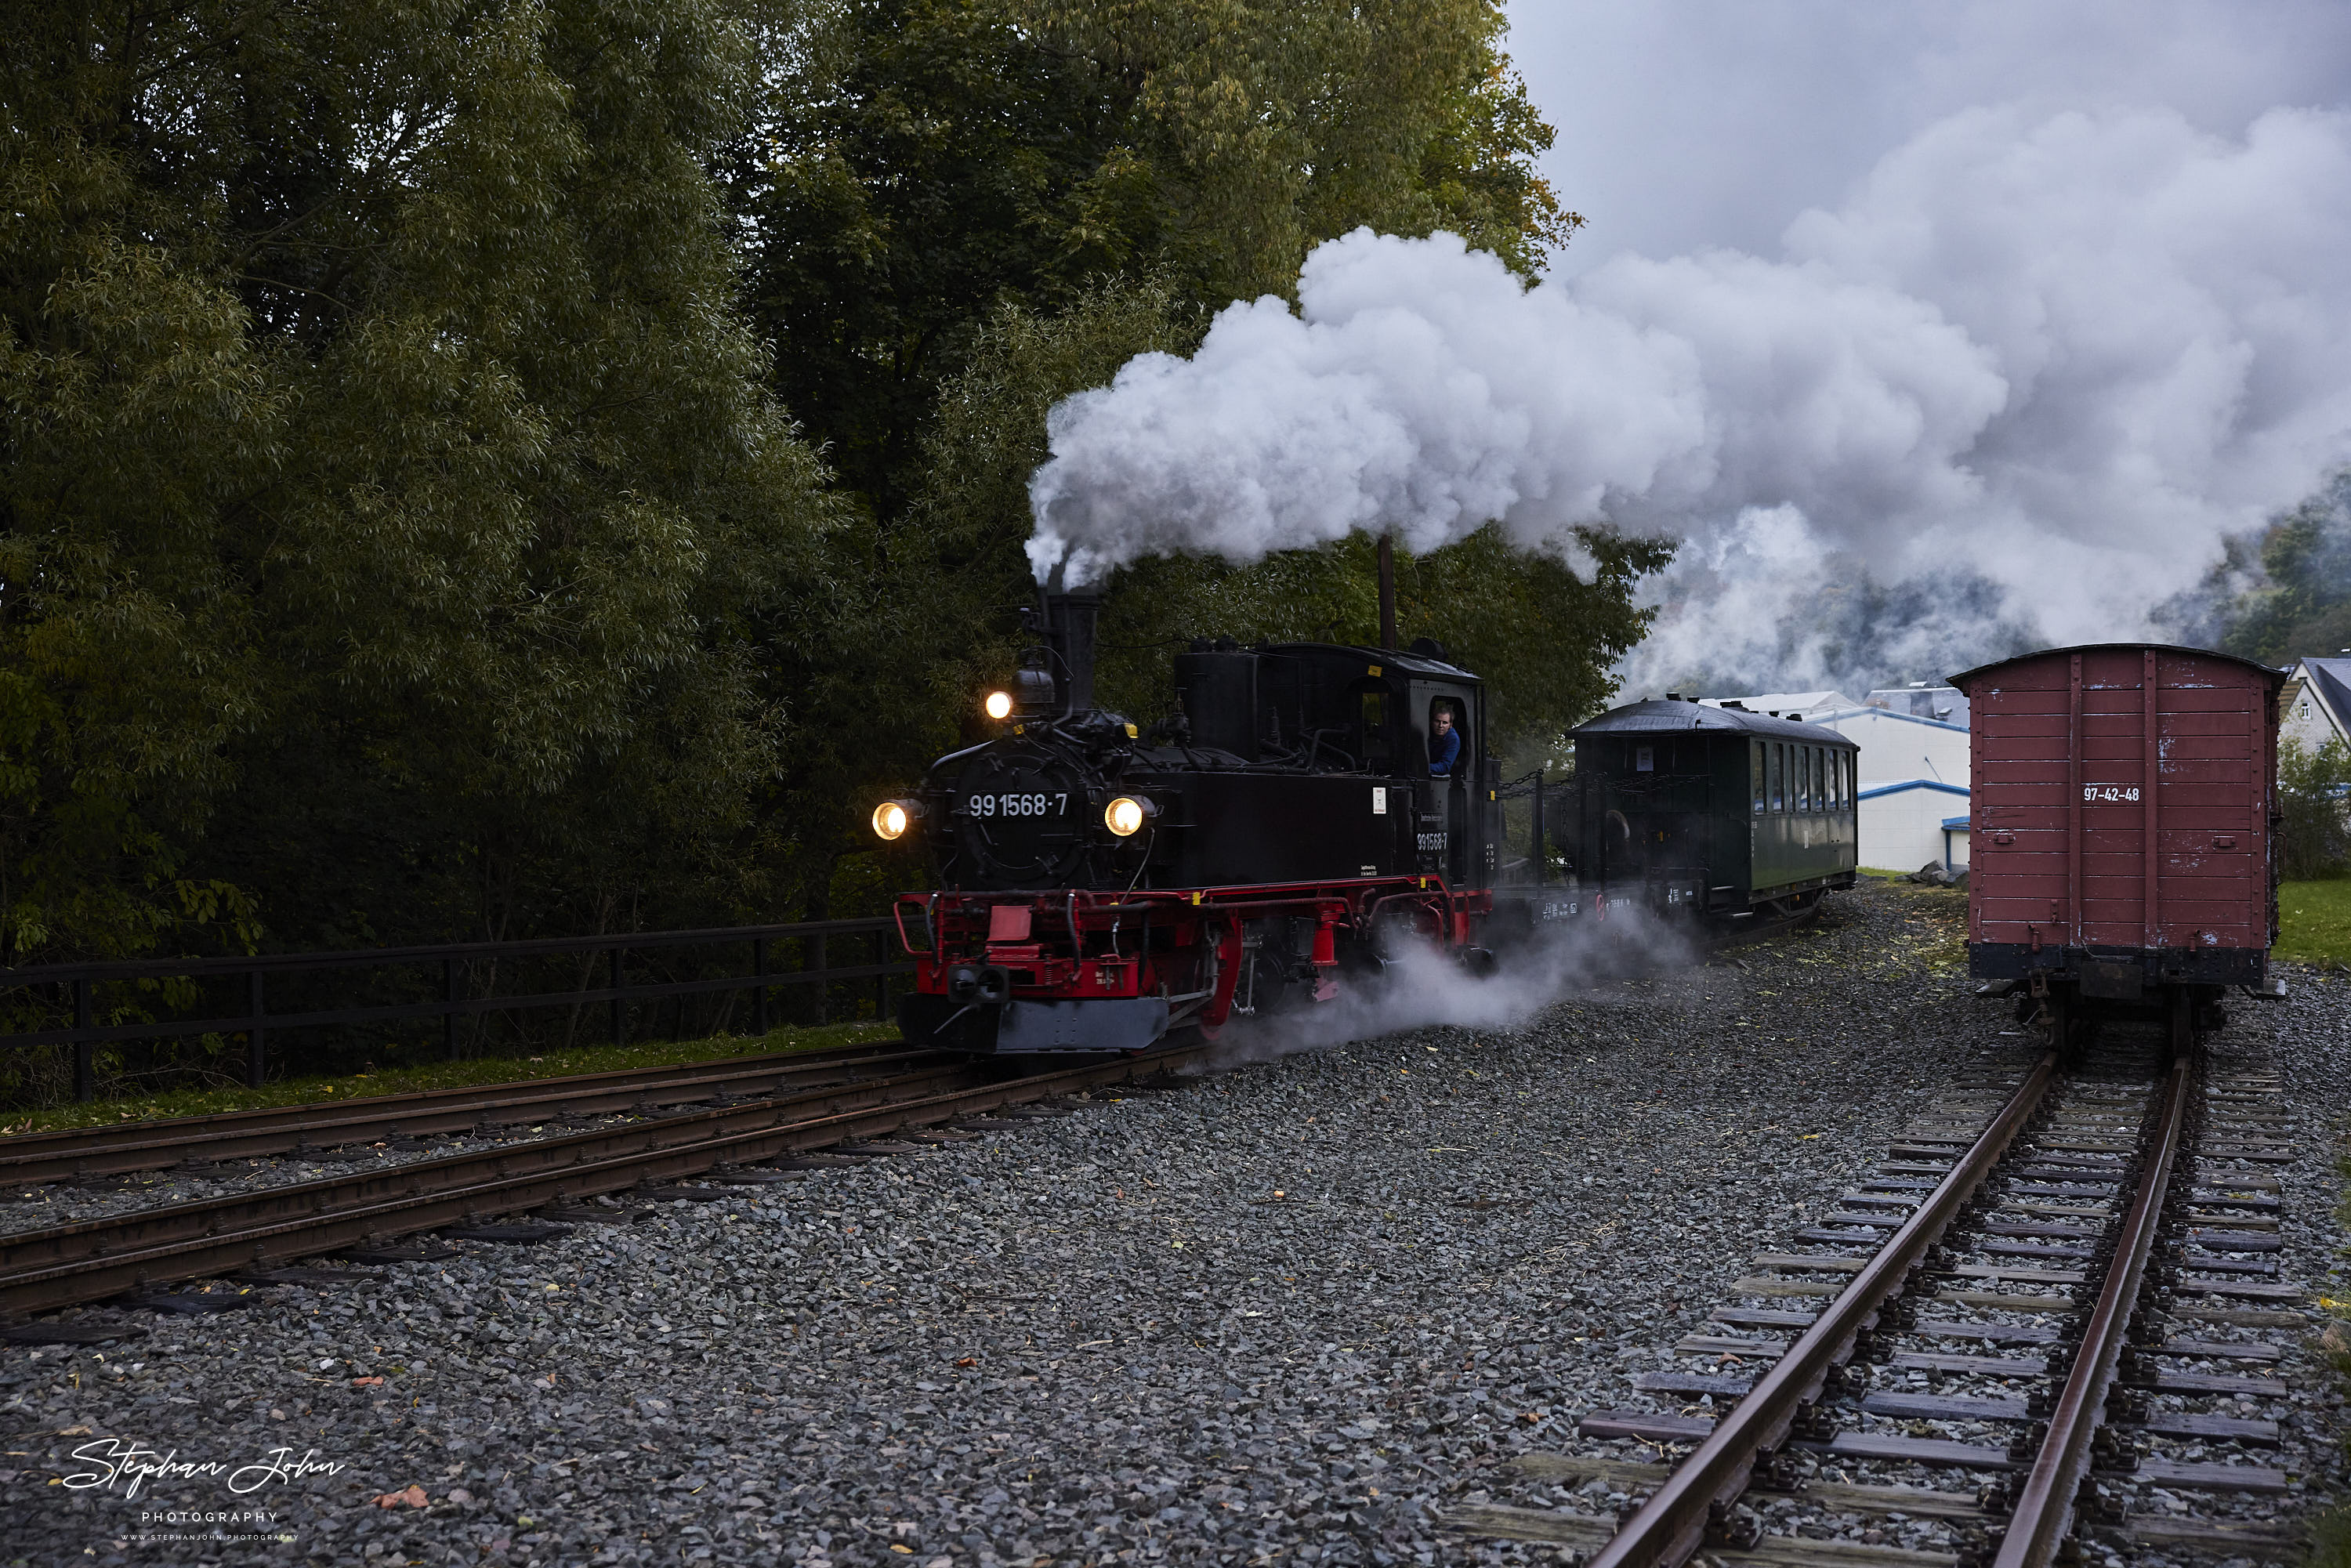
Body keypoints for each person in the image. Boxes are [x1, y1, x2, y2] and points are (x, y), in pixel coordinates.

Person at [1429, 707, 1461, 776]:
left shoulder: (1453, 739)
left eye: (1445, 723)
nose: (1440, 726)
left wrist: (1423, 767)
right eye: (1437, 721)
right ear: (1431, 722)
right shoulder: (1428, 732)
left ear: (1450, 725)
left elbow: (1445, 767)